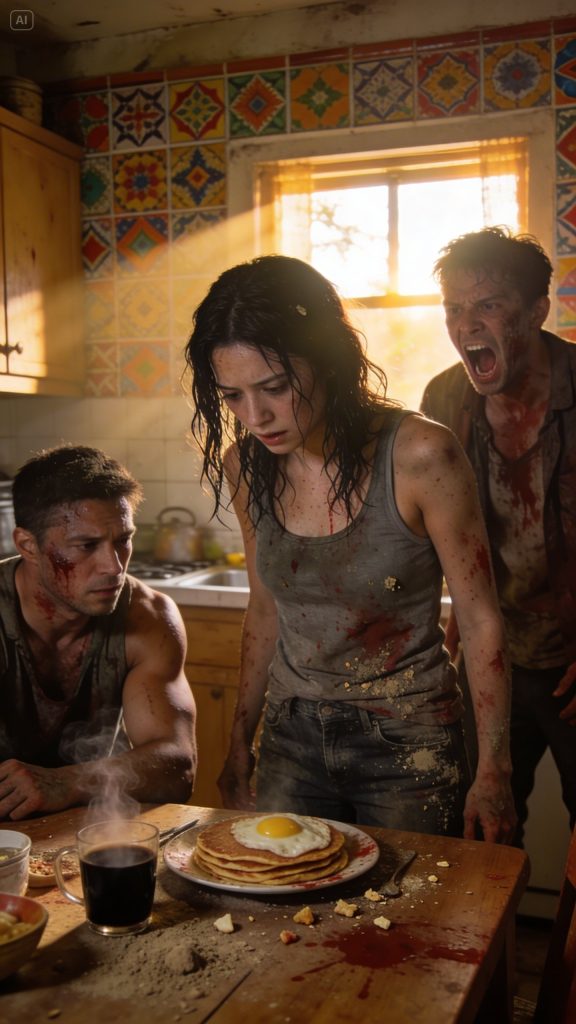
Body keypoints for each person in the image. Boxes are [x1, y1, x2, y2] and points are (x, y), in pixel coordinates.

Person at [185, 254, 515, 843]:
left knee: (411, 899)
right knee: (283, 895)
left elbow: (480, 617)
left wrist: (494, 767)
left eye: (275, 388)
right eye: (232, 395)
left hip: (409, 739)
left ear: (329, 360)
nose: (256, 416)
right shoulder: (246, 464)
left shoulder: (421, 454)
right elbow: (264, 608)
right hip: (289, 737)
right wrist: (238, 739)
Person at [421, 226, 576, 846]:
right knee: (478, 829)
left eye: (487, 305)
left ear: (537, 311)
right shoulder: (444, 398)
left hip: (570, 658)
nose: (466, 324)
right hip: (491, 660)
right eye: (454, 308)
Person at [0, 444, 197, 820]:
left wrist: (64, 783)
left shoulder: (149, 615)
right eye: (86, 545)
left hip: (93, 824)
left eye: (123, 540)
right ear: (28, 545)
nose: (114, 567)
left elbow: (177, 765)